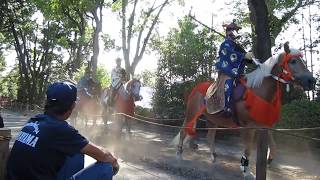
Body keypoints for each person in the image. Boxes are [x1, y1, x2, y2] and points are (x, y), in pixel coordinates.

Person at [6, 81, 119, 180]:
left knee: (77, 153)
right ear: (72, 106)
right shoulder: (61, 129)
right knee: (106, 167)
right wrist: (113, 161)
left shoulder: (34, 120)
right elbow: (104, 157)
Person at [215, 20, 253, 117]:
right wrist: (243, 55)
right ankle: (226, 107)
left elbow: (242, 56)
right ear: (228, 32)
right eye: (232, 30)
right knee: (229, 84)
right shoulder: (225, 44)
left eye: (236, 30)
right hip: (227, 72)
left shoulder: (236, 45)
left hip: (238, 72)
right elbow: (230, 54)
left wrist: (249, 58)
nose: (234, 32)